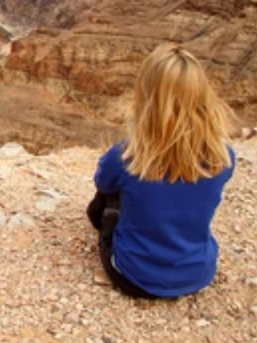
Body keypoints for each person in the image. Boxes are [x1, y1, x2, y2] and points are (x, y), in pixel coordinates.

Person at [87, 43, 236, 299]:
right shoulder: (223, 158)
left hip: (133, 277)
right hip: (198, 274)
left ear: (147, 96)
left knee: (110, 194)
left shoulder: (127, 157)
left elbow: (102, 183)